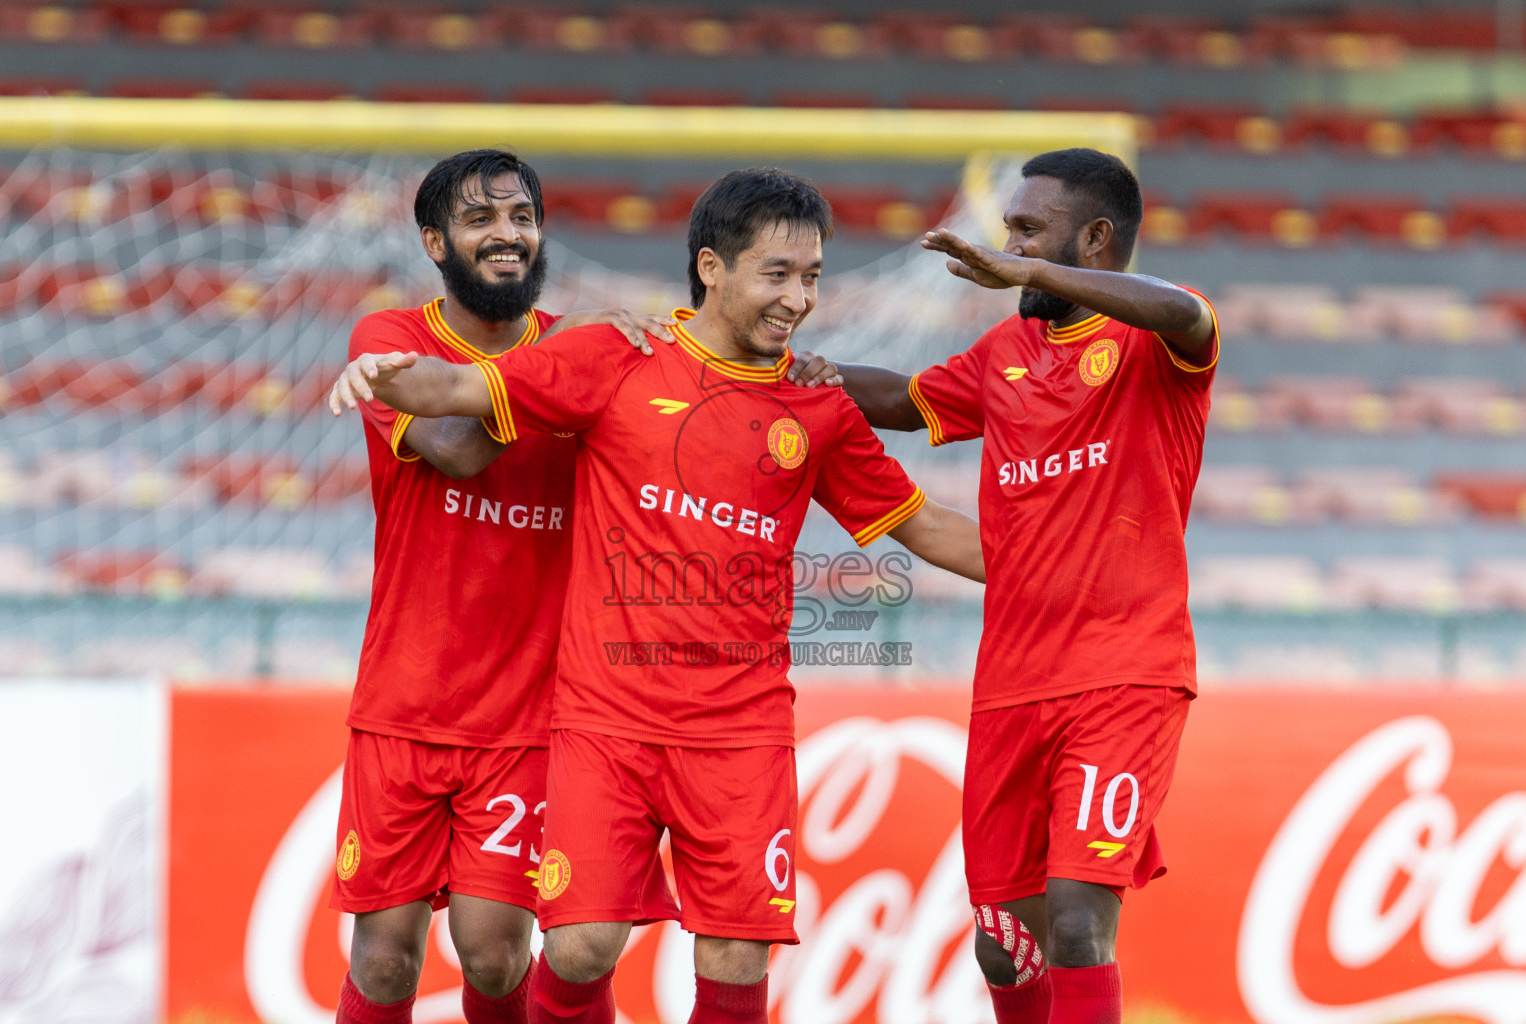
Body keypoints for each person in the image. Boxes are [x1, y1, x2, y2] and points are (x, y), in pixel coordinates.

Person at [330, 166, 986, 1024]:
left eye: (812, 278)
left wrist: (1067, 567)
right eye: (778, 274)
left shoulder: (813, 408)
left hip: (726, 727)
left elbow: (926, 524)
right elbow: (455, 401)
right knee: (553, 950)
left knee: (580, 957)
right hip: (579, 719)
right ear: (712, 267)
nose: (798, 298)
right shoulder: (610, 357)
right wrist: (379, 372)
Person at [833, 148, 1218, 1024]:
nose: (1004, 251)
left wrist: (1031, 270)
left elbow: (1187, 312)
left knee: (1081, 922)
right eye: (1009, 232)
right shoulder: (1008, 351)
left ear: (1094, 238)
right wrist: (787, 369)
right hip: (1011, 685)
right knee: (1004, 946)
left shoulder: (1155, 347)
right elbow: (903, 400)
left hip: (1126, 675)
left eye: (1027, 232)